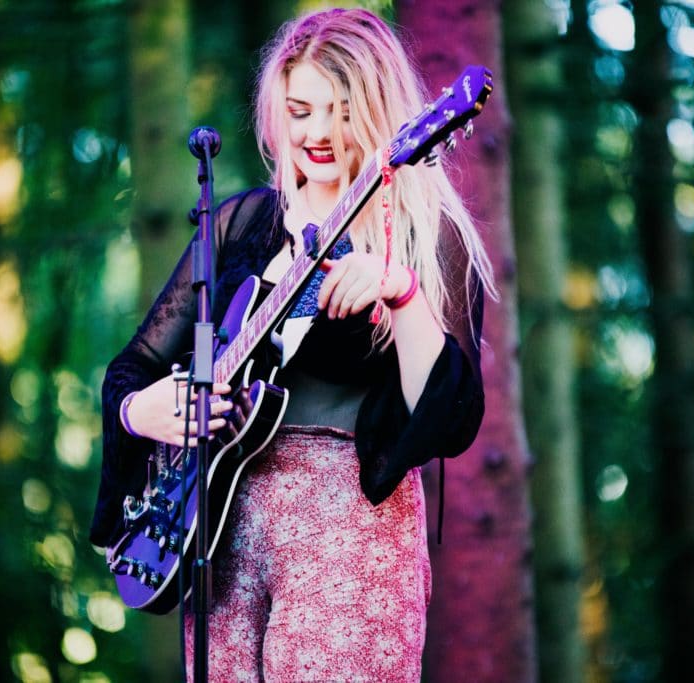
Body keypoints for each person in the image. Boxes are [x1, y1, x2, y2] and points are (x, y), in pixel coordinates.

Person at [90, 7, 495, 681]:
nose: (318, 133)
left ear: (379, 110)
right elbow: (134, 369)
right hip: (221, 528)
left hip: (350, 526)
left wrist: (399, 293)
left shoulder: (430, 235)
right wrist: (143, 412)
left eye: (341, 111)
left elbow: (453, 415)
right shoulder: (243, 223)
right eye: (301, 109)